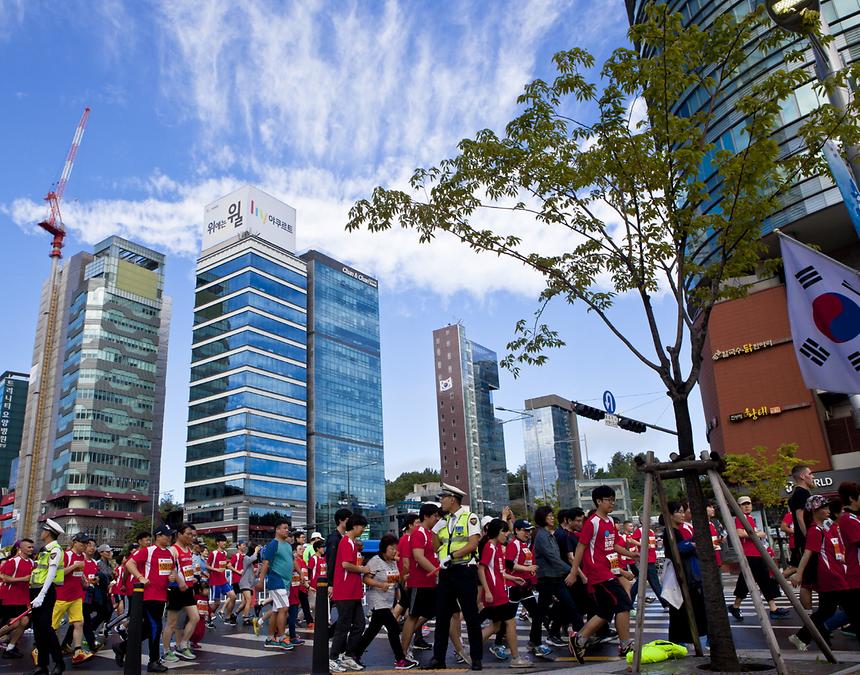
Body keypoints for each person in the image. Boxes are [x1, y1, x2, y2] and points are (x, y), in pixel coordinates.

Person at [568, 485, 636, 663]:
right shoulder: (592, 522)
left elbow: (612, 546)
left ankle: (579, 639)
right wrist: (574, 572)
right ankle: (625, 644)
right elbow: (581, 547)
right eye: (609, 500)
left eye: (614, 500)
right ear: (598, 501)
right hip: (598, 573)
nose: (612, 503)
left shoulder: (610, 522)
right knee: (623, 604)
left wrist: (631, 554)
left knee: (605, 612)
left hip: (609, 571)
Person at [788, 494, 860, 650]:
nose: (828, 510)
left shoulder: (826, 527)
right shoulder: (815, 530)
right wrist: (799, 574)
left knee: (826, 611)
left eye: (827, 507)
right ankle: (805, 637)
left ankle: (802, 637)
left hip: (837, 574)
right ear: (814, 511)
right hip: (831, 577)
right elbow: (808, 553)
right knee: (852, 610)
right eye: (824, 508)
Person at [426, 484, 483, 670]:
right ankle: (438, 659)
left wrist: (452, 556)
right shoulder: (444, 521)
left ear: (452, 499)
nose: (441, 501)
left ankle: (476, 658)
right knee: (442, 616)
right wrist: (435, 530)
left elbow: (473, 544)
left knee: (470, 614)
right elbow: (436, 548)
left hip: (464, 570)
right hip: (446, 573)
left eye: (443, 497)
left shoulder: (470, 518)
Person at [353, 534, 418, 670]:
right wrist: (379, 584)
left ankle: (354, 654)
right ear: (384, 548)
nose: (394, 551)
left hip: (387, 602)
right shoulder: (375, 561)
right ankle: (400, 659)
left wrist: (410, 575)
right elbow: (366, 579)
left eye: (396, 549)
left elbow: (396, 581)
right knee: (393, 628)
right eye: (392, 548)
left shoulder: (393, 562)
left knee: (372, 631)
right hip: (377, 601)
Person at [122, 524, 181, 673]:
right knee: (156, 627)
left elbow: (171, 570)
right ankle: (153, 661)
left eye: (170, 535)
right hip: (149, 596)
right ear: (158, 536)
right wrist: (140, 577)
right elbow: (129, 563)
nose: (169, 537)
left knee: (149, 628)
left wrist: (172, 576)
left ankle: (122, 647)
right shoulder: (148, 551)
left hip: (162, 595)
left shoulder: (169, 553)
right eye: (167, 535)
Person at [477, 519, 531, 668]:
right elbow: (481, 569)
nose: (507, 534)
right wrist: (487, 591)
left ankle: (471, 652)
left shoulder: (498, 547)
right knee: (510, 622)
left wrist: (514, 578)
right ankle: (516, 658)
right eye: (504, 531)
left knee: (496, 626)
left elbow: (499, 572)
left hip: (498, 591)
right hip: (495, 593)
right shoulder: (490, 547)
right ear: (496, 532)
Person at [531, 505, 584, 653]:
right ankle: (535, 641)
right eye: (549, 516)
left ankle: (581, 637)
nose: (552, 518)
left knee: (570, 605)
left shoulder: (549, 534)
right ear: (543, 518)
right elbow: (554, 558)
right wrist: (573, 571)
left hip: (555, 578)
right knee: (541, 612)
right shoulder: (542, 536)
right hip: (547, 579)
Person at [728, 496, 789, 622]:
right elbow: (739, 533)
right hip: (749, 554)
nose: (747, 506)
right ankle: (772, 609)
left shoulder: (750, 518)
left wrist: (757, 534)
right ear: (739, 507)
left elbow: (753, 533)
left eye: (748, 504)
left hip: (757, 553)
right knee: (760, 580)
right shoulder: (740, 518)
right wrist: (756, 534)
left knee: (753, 581)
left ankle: (737, 606)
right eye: (744, 504)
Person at [661, 501, 708, 649]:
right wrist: (692, 545)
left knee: (684, 611)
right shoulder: (670, 532)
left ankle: (684, 642)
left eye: (683, 511)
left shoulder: (678, 531)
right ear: (669, 514)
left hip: (686, 576)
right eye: (679, 512)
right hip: (681, 577)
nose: (682, 515)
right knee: (683, 611)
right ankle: (683, 643)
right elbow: (678, 550)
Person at [330, 514, 370, 672]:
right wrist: (362, 569)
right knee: (343, 626)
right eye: (362, 527)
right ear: (355, 526)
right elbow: (345, 564)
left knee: (359, 624)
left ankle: (347, 656)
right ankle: (332, 657)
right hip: (345, 591)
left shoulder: (352, 543)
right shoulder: (346, 542)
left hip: (353, 591)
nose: (363, 530)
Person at [401, 502, 440, 660]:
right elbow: (418, 556)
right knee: (413, 616)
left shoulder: (430, 533)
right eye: (435, 516)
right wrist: (436, 572)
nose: (437, 519)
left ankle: (406, 640)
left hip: (429, 582)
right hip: (419, 582)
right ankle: (403, 652)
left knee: (428, 613)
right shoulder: (419, 533)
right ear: (426, 516)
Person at [30, 519, 67, 675]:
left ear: (49, 533)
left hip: (45, 592)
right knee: (38, 630)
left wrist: (42, 595)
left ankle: (59, 662)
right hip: (36, 590)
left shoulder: (55, 549)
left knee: (47, 629)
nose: (41, 532)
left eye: (43, 530)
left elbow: (51, 573)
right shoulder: (45, 549)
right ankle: (42, 666)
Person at [162, 523, 200, 663]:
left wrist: (193, 578)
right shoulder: (173, 550)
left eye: (192, 534)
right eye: (188, 534)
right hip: (176, 589)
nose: (191, 537)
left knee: (195, 617)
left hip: (188, 589)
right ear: (179, 534)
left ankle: (182, 645)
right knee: (171, 623)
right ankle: (166, 651)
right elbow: (170, 568)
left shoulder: (188, 549)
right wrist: (180, 581)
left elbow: (187, 567)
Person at [53, 532, 91, 665]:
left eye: (86, 543)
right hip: (61, 596)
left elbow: (79, 573)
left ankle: (78, 651)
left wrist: (84, 581)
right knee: (53, 626)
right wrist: (74, 566)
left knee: (79, 623)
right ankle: (41, 648)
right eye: (83, 543)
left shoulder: (83, 556)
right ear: (75, 542)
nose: (85, 546)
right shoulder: (66, 555)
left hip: (76, 595)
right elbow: (58, 573)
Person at [257, 519, 294, 651]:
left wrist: (300, 574)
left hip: (286, 582)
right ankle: (282, 638)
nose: (287, 530)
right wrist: (261, 581)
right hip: (276, 580)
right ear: (277, 530)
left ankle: (270, 638)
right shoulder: (273, 544)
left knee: (276, 610)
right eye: (284, 528)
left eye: (287, 528)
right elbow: (266, 563)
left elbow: (291, 562)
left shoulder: (288, 545)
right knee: (284, 608)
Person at [0, 538, 35, 658]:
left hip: (23, 598)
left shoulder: (31, 562)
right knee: (14, 624)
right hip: (10, 597)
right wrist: (22, 579)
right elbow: (5, 578)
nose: (31, 549)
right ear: (21, 548)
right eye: (29, 547)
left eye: (32, 547)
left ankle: (11, 647)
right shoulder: (12, 561)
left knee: (24, 622)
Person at [788, 464, 816, 610]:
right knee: (807, 580)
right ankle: (809, 617)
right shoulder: (800, 493)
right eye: (810, 473)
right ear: (802, 476)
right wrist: (809, 538)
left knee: (813, 578)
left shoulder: (805, 493)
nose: (813, 476)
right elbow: (800, 518)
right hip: (805, 542)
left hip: (809, 540)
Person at [394, 514, 419, 621]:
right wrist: (405, 578)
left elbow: (396, 556)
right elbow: (405, 562)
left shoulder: (406, 538)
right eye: (417, 523)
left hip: (408, 576)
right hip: (408, 577)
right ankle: (391, 623)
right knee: (405, 603)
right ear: (410, 525)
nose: (419, 525)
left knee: (405, 603)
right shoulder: (407, 539)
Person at [207, 534, 236, 625]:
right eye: (222, 541)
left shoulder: (225, 553)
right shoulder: (213, 553)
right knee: (217, 603)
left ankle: (228, 616)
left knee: (233, 597)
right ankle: (208, 616)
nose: (224, 543)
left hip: (223, 581)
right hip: (215, 581)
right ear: (217, 543)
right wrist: (216, 570)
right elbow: (207, 565)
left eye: (225, 541)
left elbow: (223, 566)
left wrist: (225, 575)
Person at [325, 509, 352, 594]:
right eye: (348, 520)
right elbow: (331, 561)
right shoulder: (334, 538)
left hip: (341, 580)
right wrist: (330, 584)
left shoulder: (343, 537)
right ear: (340, 520)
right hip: (335, 582)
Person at [236, 543, 261, 627]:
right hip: (245, 583)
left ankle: (234, 614)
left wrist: (258, 569)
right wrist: (256, 551)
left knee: (244, 603)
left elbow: (256, 574)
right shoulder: (246, 558)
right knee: (249, 601)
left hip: (249, 584)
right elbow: (253, 558)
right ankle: (245, 619)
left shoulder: (251, 562)